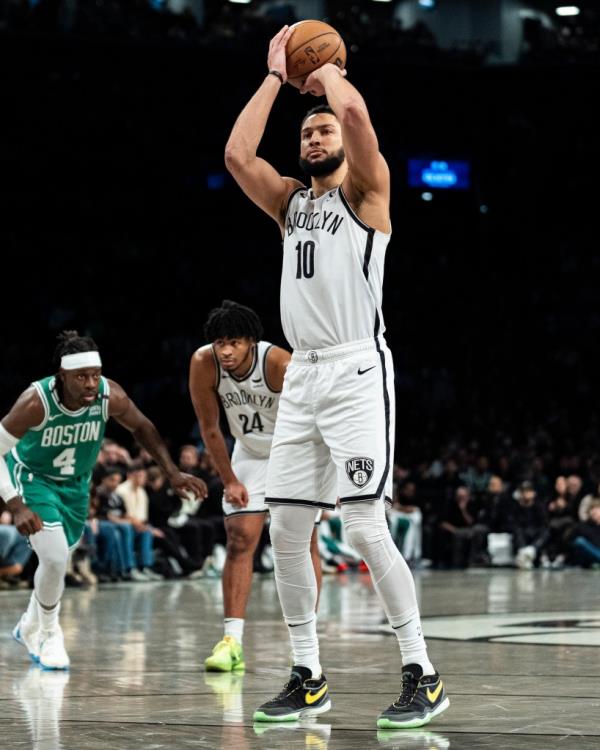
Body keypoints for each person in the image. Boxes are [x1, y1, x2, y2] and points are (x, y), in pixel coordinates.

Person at [224, 26, 448, 728]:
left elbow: (354, 118)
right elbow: (236, 155)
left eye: (324, 129)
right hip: (304, 377)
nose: (317, 134)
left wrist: (326, 74)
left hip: (355, 368)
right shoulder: (291, 204)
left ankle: (423, 671)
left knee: (362, 527)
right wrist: (273, 77)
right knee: (286, 530)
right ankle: (308, 674)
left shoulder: (369, 191)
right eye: (308, 130)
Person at [0, 330, 207, 670]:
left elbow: (142, 427)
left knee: (57, 561)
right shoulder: (35, 402)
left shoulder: (109, 396)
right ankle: (50, 633)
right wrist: (15, 503)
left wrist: (172, 472)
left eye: (95, 375)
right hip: (34, 480)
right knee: (52, 559)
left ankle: (28, 624)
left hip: (76, 486)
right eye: (81, 377)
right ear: (62, 376)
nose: (90, 384)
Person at [189, 300, 324, 672]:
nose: (225, 351)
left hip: (294, 452)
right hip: (249, 452)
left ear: (251, 341)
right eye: (220, 343)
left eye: (233, 342)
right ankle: (231, 641)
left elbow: (317, 416)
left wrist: (328, 473)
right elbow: (210, 427)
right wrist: (229, 480)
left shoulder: (279, 363)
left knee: (301, 542)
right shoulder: (204, 363)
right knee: (239, 538)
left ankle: (305, 643)